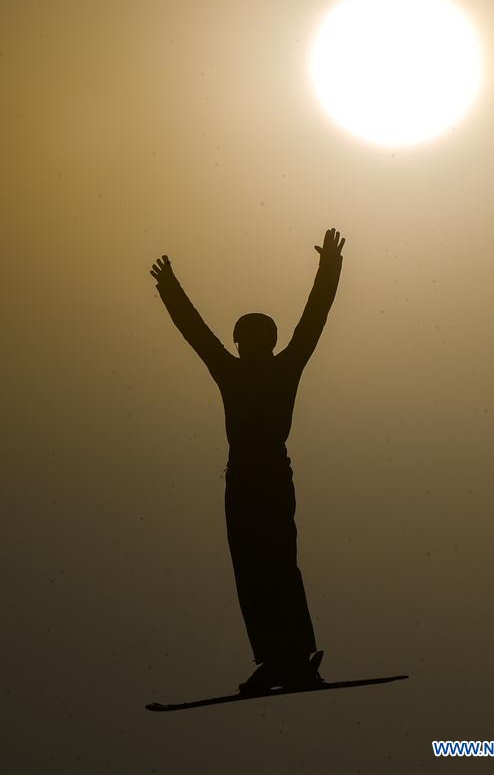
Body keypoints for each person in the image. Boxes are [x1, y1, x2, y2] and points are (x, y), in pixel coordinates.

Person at [149, 227, 345, 693]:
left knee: (271, 564)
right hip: (246, 479)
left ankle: (293, 659)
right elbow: (199, 331)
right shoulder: (246, 369)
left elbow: (311, 318)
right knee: (256, 567)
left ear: (250, 342)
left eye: (248, 339)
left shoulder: (267, 367)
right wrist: (169, 288)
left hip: (265, 477)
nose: (245, 346)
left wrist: (329, 268)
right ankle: (278, 660)